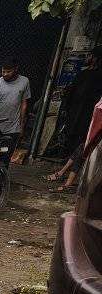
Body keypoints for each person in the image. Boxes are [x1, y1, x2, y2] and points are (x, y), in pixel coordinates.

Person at [47, 48, 102, 192]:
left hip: (89, 120)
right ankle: (64, 175)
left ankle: (66, 179)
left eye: (91, 56)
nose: (88, 57)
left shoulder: (95, 77)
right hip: (80, 118)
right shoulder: (84, 74)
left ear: (96, 59)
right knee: (80, 147)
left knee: (82, 147)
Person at [0, 57, 31, 167]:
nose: (5, 74)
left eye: (8, 71)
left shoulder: (24, 82)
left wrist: (22, 125)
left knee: (5, 156)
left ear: (16, 69)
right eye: (3, 71)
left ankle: (1, 180)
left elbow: (24, 104)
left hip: (12, 129)